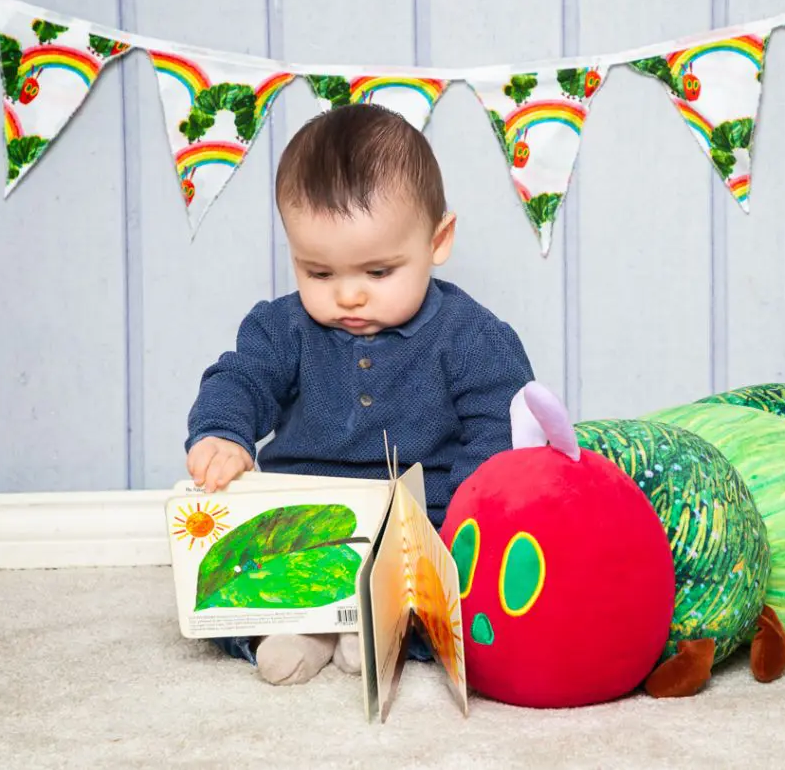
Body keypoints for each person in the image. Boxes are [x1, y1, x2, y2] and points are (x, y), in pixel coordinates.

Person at [184, 102, 535, 685]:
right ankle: (302, 624)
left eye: (377, 273)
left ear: (437, 240)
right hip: (309, 514)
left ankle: (382, 625)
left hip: (419, 520)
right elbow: (240, 378)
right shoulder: (282, 328)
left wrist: (459, 521)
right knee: (228, 579)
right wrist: (222, 432)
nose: (348, 296)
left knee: (475, 594)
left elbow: (501, 429)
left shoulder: (472, 336)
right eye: (319, 273)